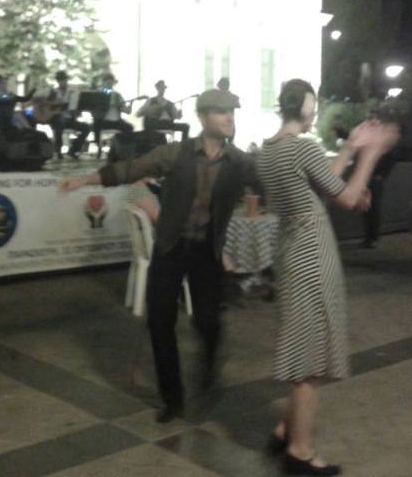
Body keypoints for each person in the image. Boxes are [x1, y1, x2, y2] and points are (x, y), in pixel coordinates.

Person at [60, 89, 256, 423]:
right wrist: (84, 180)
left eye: (232, 113)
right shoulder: (175, 153)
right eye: (222, 112)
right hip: (171, 247)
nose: (229, 118)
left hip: (206, 252)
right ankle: (172, 398)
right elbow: (131, 169)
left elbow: (270, 180)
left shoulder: (238, 161)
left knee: (208, 322)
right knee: (160, 321)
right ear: (203, 117)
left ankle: (209, 370)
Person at [255, 79, 399, 476]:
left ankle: (286, 431)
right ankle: (299, 454)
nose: (314, 112)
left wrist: (350, 148)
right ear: (305, 107)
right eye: (313, 105)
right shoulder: (303, 148)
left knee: (303, 346)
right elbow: (348, 198)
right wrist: (371, 154)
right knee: (311, 358)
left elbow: (320, 190)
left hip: (289, 249)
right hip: (312, 254)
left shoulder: (269, 150)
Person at [47, 70, 90, 160]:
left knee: (86, 128)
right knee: (59, 123)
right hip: (57, 119)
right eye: (61, 80)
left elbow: (77, 108)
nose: (63, 82)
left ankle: (73, 150)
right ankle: (58, 151)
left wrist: (77, 110)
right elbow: (48, 106)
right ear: (58, 81)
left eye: (64, 80)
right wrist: (56, 105)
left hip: (70, 119)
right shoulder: (53, 92)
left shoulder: (72, 92)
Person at [93, 73, 135, 158]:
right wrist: (107, 105)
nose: (109, 85)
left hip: (116, 121)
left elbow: (127, 111)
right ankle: (100, 147)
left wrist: (131, 104)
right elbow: (94, 110)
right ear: (103, 83)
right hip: (103, 121)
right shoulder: (99, 94)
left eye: (111, 83)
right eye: (107, 82)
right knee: (96, 124)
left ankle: (122, 149)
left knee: (129, 127)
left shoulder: (117, 95)